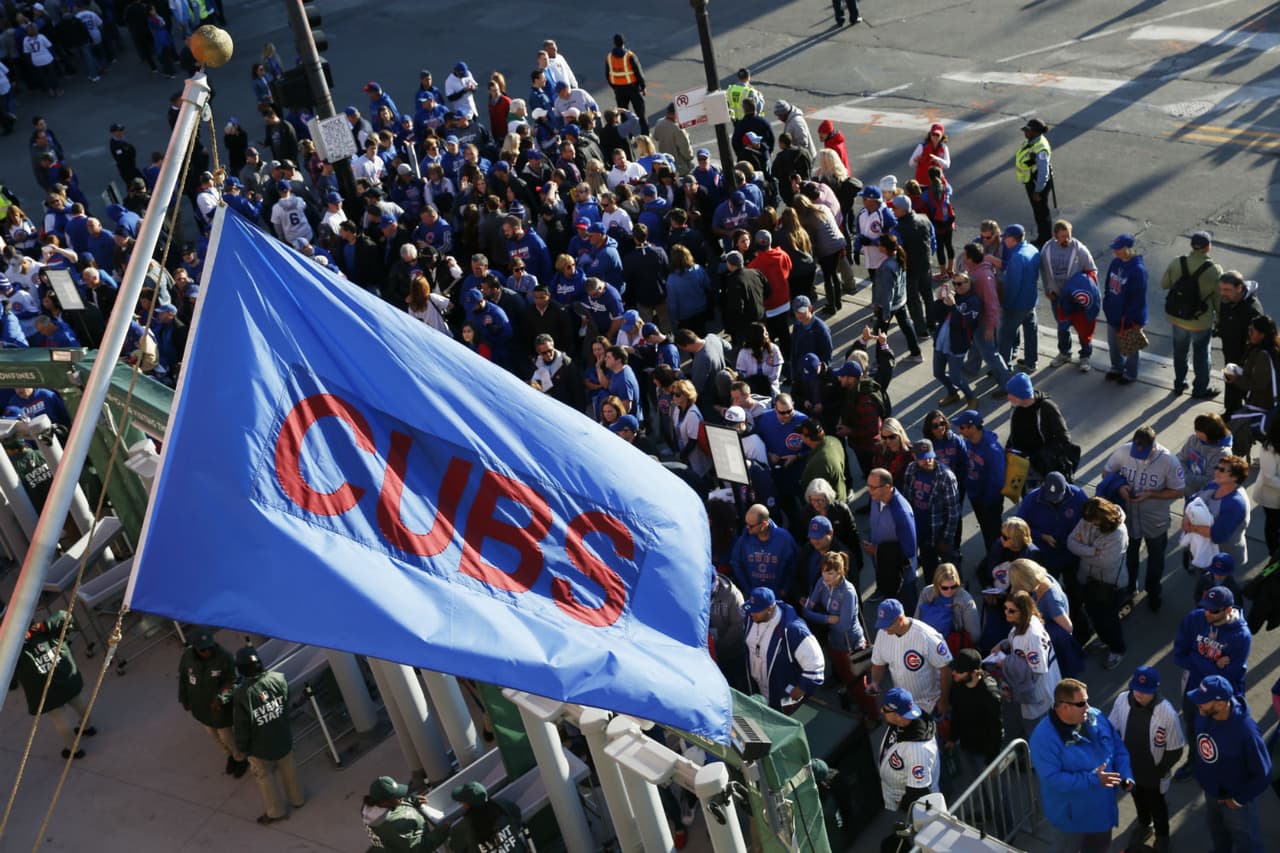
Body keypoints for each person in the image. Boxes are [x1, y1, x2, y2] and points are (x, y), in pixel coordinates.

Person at [1029, 678, 1134, 853]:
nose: (1087, 706)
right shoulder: (1043, 739)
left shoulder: (1095, 716)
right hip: (1072, 820)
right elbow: (1052, 778)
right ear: (1063, 706)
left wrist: (1125, 774)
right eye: (1081, 703)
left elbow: (1117, 746)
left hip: (1102, 812)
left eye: (1087, 700)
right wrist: (1094, 779)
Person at [1171, 585, 1252, 780]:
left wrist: (1196, 657)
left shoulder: (1241, 636)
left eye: (1213, 610)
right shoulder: (1195, 618)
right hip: (1193, 690)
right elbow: (1178, 656)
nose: (1207, 613)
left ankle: (1220, 768)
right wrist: (1213, 664)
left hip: (1220, 697)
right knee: (1193, 728)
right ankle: (1194, 760)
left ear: (1228, 610)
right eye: (1206, 607)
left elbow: (1228, 677)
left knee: (1219, 733)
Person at [1184, 675, 1272, 853]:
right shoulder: (1203, 714)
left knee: (1246, 840)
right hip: (1212, 791)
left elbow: (1264, 773)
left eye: (1203, 701)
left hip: (1236, 798)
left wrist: (1238, 800)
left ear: (1220, 704)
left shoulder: (1246, 732)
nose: (1198, 704)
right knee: (1217, 830)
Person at [1102, 426, 1184, 614]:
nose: (1140, 455)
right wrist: (1120, 486)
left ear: (1153, 445)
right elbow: (1106, 473)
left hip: (1155, 520)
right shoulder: (1123, 451)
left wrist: (1151, 494)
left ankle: (1153, 591)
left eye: (1144, 452)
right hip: (1129, 518)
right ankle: (1130, 589)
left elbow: (1179, 491)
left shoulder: (1169, 460)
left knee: (1156, 559)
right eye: (1136, 450)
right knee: (1129, 556)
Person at [1106, 666, 1184, 853]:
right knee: (1137, 797)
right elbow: (1111, 728)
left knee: (1157, 804)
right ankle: (1144, 825)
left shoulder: (1167, 713)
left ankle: (1162, 835)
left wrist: (1159, 770)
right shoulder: (1122, 700)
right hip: (1129, 766)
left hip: (1153, 770)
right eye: (1136, 689)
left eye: (1145, 691)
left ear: (1154, 690)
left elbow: (1176, 749)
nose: (1139, 694)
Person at [232, 643, 305, 825]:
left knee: (265, 778)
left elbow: (242, 726)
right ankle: (298, 800)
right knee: (289, 770)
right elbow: (286, 703)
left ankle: (276, 812)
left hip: (260, 748)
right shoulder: (278, 679)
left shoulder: (242, 695)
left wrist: (242, 747)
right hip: (282, 737)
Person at [802, 551, 874, 718]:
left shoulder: (848, 592)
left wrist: (822, 617)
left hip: (852, 645)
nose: (825, 576)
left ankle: (873, 715)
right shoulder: (822, 582)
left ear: (840, 572)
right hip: (834, 643)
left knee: (860, 684)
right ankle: (857, 704)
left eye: (830, 573)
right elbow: (807, 611)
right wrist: (828, 618)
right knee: (846, 678)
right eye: (823, 571)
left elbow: (842, 626)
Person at [14, 610, 94, 759]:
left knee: (60, 720)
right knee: (80, 703)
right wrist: (44, 626)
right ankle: (88, 727)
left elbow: (6, 668)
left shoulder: (16, 652)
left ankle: (74, 749)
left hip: (46, 693)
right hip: (67, 681)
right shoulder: (51, 632)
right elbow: (65, 616)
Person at [1067, 497, 1129, 670]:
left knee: (1109, 619)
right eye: (1088, 521)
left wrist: (1083, 549)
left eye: (1094, 521)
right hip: (1088, 580)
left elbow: (1106, 562)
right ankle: (1104, 640)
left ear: (1104, 517)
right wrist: (1093, 551)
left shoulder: (1118, 533)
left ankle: (1117, 649)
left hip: (1110, 585)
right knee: (1094, 615)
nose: (1090, 524)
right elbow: (1070, 542)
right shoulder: (1088, 519)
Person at [742, 586, 825, 713]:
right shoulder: (750, 617)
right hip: (758, 690)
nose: (751, 613)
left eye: (756, 610)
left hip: (782, 700)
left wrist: (801, 688)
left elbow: (816, 664)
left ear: (770, 609)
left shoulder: (794, 630)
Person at [1162, 231, 1224, 399]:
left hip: (1178, 318)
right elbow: (1219, 300)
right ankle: (1200, 389)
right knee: (1202, 354)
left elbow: (1164, 284)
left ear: (1192, 246)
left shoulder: (1177, 263)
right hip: (1200, 322)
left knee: (1180, 353)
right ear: (1208, 247)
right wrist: (1219, 320)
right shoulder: (1214, 270)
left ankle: (1179, 383)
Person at [178, 628, 247, 777]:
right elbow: (183, 679)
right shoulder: (187, 658)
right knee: (213, 736)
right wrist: (184, 699)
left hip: (220, 710)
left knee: (226, 737)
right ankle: (229, 756)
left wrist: (220, 699)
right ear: (195, 648)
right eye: (203, 649)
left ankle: (240, 758)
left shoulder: (224, 658)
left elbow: (233, 682)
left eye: (209, 647)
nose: (207, 651)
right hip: (200, 707)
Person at [869, 598, 953, 716]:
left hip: (929, 704)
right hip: (903, 703)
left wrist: (943, 701)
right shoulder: (883, 633)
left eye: (888, 625)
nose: (885, 630)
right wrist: (875, 682)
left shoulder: (926, 635)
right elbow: (878, 663)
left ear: (900, 619)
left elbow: (946, 668)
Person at [999, 590, 1062, 734]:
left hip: (1038, 692)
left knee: (1037, 730)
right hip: (1039, 686)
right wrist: (1003, 644)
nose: (1006, 612)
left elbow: (1038, 669)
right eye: (1005, 608)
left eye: (1011, 610)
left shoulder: (1032, 635)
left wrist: (1006, 662)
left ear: (1023, 611)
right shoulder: (1027, 621)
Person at [903, 439, 961, 584]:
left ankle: (959, 592)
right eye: (922, 458)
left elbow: (953, 512)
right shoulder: (911, 469)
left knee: (951, 568)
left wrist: (946, 538)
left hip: (939, 530)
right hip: (920, 530)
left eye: (930, 456)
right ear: (915, 457)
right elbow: (906, 497)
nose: (927, 460)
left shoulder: (946, 476)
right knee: (929, 568)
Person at [864, 468, 921, 612]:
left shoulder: (901, 513)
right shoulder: (876, 498)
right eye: (868, 486)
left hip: (900, 573)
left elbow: (909, 551)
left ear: (887, 487)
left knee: (906, 606)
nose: (869, 491)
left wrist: (877, 550)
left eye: (873, 487)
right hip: (883, 564)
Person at [1224, 315, 1280, 461]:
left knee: (1237, 426)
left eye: (1252, 331)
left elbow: (1258, 385)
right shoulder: (1270, 350)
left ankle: (1232, 460)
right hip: (1267, 406)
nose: (1249, 333)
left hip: (1262, 407)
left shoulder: (1263, 355)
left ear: (1262, 335)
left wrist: (1236, 379)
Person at [945, 649, 1004, 782]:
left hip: (984, 751)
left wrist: (991, 761)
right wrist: (952, 738)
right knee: (977, 782)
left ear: (975, 673)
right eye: (954, 669)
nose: (954, 673)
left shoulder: (990, 695)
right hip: (966, 746)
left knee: (994, 789)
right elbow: (956, 713)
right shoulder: (958, 686)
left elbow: (996, 731)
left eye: (959, 671)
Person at [877, 688, 938, 814]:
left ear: (899, 716)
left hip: (910, 806)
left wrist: (904, 807)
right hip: (892, 791)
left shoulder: (918, 751)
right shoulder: (903, 723)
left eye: (886, 710)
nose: (881, 711)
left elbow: (918, 792)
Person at [1182, 452, 1250, 567]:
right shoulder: (1214, 484)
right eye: (1217, 468)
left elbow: (1217, 535)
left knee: (1217, 584)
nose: (1217, 472)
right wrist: (1186, 517)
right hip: (1203, 549)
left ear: (1235, 477)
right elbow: (1193, 500)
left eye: (1222, 470)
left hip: (1223, 558)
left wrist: (1191, 528)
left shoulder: (1235, 503)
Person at [953, 410, 1006, 552]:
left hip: (989, 501)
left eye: (963, 427)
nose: (959, 430)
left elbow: (998, 481)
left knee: (993, 534)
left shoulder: (992, 450)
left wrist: (986, 500)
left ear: (973, 428)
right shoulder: (969, 443)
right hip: (976, 496)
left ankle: (996, 563)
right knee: (986, 531)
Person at [1215, 270, 1264, 417]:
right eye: (1221, 289)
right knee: (1230, 384)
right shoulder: (1227, 301)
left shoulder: (1252, 310)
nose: (1223, 293)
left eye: (1227, 290)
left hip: (1245, 359)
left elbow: (1256, 339)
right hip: (1230, 353)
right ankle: (1231, 412)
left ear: (1240, 288)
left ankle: (1248, 418)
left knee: (1245, 390)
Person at [1102, 234, 1148, 383]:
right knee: (1113, 344)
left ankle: (1130, 373)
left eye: (1118, 249)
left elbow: (1138, 298)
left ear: (1128, 249)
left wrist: (1128, 317)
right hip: (1113, 313)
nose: (1115, 252)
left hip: (1130, 317)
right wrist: (1107, 304)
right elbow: (1108, 284)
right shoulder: (1115, 263)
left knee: (1131, 347)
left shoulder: (1138, 270)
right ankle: (1117, 367)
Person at [997, 224, 1042, 374]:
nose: (1003, 241)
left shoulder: (1017, 257)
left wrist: (1006, 305)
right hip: (1031, 301)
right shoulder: (1033, 249)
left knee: (1005, 336)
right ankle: (1031, 362)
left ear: (1012, 239)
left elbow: (1013, 285)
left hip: (1016, 305)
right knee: (1031, 333)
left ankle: (1004, 369)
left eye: (1005, 238)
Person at [362, 776, 448, 852]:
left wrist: (411, 801)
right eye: (397, 796)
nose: (402, 797)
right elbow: (418, 849)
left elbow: (399, 804)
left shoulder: (375, 806)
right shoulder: (394, 825)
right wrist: (440, 833)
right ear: (384, 802)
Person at [732, 504, 799, 596]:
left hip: (778, 597)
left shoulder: (785, 539)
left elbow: (794, 566)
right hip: (753, 596)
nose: (747, 528)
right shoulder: (744, 539)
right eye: (746, 524)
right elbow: (736, 563)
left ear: (763, 524)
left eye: (751, 526)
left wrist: (785, 589)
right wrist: (747, 589)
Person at [447, 781, 534, 852]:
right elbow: (517, 815)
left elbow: (454, 846)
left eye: (462, 802)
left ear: (468, 805)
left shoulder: (465, 827)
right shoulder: (503, 806)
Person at [915, 562, 980, 651]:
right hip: (927, 644)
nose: (949, 591)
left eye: (954, 586)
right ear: (937, 585)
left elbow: (975, 635)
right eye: (945, 588)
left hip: (952, 648)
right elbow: (916, 622)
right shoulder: (926, 594)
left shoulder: (966, 600)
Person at [1013, 118, 1053, 247]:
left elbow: (1043, 173)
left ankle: (1045, 240)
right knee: (1038, 212)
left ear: (1035, 132)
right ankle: (1042, 238)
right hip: (1031, 181)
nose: (1025, 132)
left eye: (1027, 130)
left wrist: (1038, 191)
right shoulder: (1032, 141)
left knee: (1042, 213)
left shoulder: (1040, 149)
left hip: (1038, 184)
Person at [605, 34, 647, 134]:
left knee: (623, 114)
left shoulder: (609, 57)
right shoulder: (629, 56)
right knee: (640, 113)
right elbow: (638, 72)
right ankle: (645, 134)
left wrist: (614, 87)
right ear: (624, 42)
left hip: (619, 90)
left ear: (614, 43)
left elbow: (607, 74)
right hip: (632, 88)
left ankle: (628, 135)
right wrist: (643, 86)